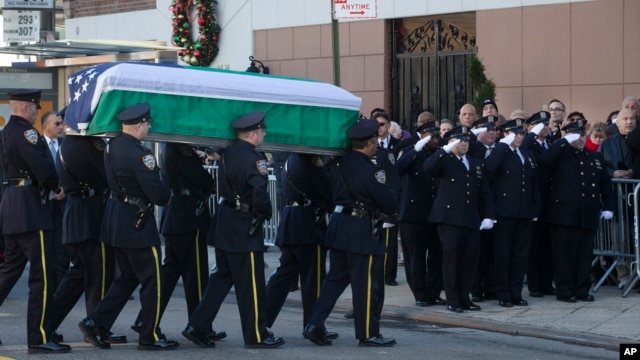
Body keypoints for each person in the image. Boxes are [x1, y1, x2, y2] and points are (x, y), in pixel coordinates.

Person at [78, 103, 178, 350]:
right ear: (138, 125)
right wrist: (168, 189)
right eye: (147, 123)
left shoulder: (111, 147)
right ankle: (149, 336)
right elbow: (159, 196)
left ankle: (96, 322)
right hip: (137, 224)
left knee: (127, 278)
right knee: (153, 280)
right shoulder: (140, 154)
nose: (149, 127)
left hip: (116, 220)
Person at [182, 110, 284, 349]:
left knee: (222, 277)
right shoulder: (253, 157)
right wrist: (266, 213)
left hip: (226, 221)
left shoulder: (229, 153)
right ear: (252, 133)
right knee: (251, 284)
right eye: (261, 131)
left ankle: (197, 325)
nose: (264, 134)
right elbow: (259, 192)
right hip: (243, 224)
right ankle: (256, 336)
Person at [303, 119, 397, 347]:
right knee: (365, 285)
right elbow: (388, 202)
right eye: (374, 142)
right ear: (370, 143)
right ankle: (367, 333)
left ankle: (314, 324)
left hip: (339, 226)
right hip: (360, 231)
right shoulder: (369, 169)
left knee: (334, 280)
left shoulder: (336, 164)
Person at [130, 142, 225, 341]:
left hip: (177, 216)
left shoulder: (170, 148)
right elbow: (202, 178)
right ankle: (199, 326)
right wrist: (210, 182)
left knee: (170, 274)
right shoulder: (180, 149)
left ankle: (144, 320)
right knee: (197, 275)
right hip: (188, 216)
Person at [0, 89, 70, 353]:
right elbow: (42, 167)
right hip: (31, 210)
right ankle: (39, 338)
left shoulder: (6, 131)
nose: (38, 111)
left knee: (8, 274)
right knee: (42, 277)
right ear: (25, 108)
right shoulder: (27, 134)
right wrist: (57, 186)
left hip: (12, 207)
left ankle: (41, 334)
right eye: (36, 107)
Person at [49, 109, 123, 344]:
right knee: (99, 274)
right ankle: (97, 326)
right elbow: (109, 175)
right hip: (91, 214)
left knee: (79, 275)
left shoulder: (67, 144)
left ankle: (46, 323)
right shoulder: (88, 144)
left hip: (75, 214)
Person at [423, 125, 495, 313]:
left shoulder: (475, 163)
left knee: (469, 261)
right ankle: (453, 299)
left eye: (467, 140)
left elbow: (484, 192)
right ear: (451, 141)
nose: (464, 143)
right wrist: (443, 150)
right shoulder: (444, 160)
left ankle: (465, 298)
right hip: (449, 218)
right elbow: (428, 167)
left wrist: (489, 215)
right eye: (460, 140)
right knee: (451, 260)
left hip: (471, 218)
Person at [542, 119, 614, 302]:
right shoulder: (560, 155)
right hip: (563, 215)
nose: (581, 139)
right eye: (576, 135)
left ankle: (582, 289)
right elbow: (545, 159)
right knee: (564, 255)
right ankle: (564, 290)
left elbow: (605, 185)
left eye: (582, 134)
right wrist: (564, 141)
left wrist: (609, 207)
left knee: (584, 255)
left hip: (587, 213)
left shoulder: (594, 158)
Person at [265, 153, 334, 336]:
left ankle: (261, 320)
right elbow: (328, 191)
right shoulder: (309, 164)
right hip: (308, 226)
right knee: (313, 280)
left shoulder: (291, 160)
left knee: (283, 276)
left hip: (291, 222)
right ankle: (314, 325)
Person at [484, 119, 539, 307]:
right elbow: (489, 169)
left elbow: (533, 183)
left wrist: (534, 208)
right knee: (503, 255)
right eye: (514, 133)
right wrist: (501, 146)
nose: (519, 137)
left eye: (521, 133)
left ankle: (516, 292)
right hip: (504, 212)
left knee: (520, 255)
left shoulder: (527, 153)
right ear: (505, 134)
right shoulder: (499, 152)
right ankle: (504, 293)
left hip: (524, 211)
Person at [395, 120, 445, 307]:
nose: (435, 139)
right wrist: (415, 150)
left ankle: (433, 292)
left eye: (436, 136)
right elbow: (398, 168)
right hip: (413, 213)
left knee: (435, 255)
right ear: (422, 135)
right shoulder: (412, 152)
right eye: (431, 136)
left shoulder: (438, 152)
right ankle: (420, 293)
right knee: (415, 257)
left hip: (433, 212)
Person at [521, 111, 556, 298]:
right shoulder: (529, 143)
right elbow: (525, 147)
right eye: (540, 124)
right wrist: (533, 133)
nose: (545, 127)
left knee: (547, 245)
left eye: (547, 123)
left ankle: (546, 283)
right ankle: (534, 285)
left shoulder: (549, 144)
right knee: (534, 245)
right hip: (535, 199)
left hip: (549, 200)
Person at [467, 115, 499, 303]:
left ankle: (491, 286)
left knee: (493, 251)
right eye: (487, 129)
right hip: (477, 206)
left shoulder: (500, 149)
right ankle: (476, 287)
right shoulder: (472, 148)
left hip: (496, 206)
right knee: (476, 251)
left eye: (494, 129)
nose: (492, 132)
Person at [40, 111, 69, 289]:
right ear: (45, 126)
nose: (60, 127)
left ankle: (61, 283)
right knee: (46, 244)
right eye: (56, 124)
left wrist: (65, 189)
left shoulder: (65, 145)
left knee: (62, 244)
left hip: (64, 200)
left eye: (61, 124)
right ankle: (47, 283)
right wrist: (53, 189)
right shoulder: (37, 145)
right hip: (45, 202)